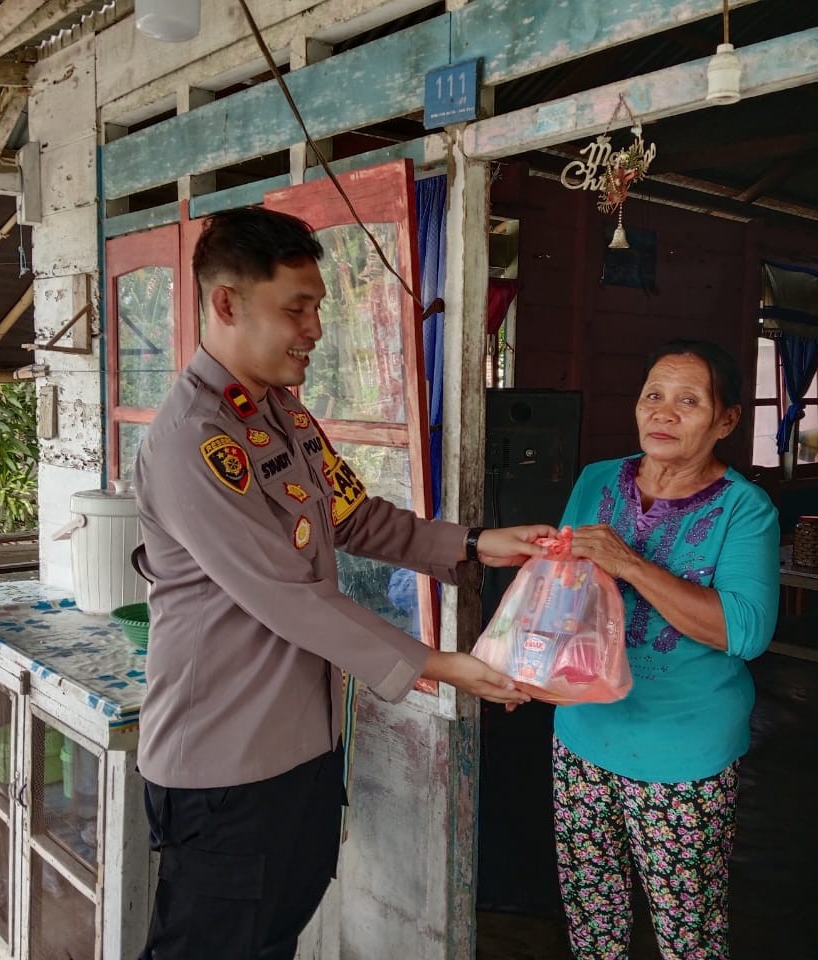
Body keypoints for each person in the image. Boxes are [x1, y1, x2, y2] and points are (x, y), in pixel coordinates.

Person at [131, 206, 553, 960]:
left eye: (318, 308)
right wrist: (441, 668)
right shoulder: (193, 441)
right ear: (226, 304)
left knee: (271, 941)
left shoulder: (281, 418)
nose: (315, 331)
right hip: (227, 764)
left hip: (301, 751)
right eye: (296, 308)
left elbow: (355, 519)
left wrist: (480, 545)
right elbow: (286, 594)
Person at [553, 339, 779, 960]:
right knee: (592, 915)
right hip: (581, 730)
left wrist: (630, 564)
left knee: (688, 931)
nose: (664, 412)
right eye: (654, 395)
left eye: (689, 400)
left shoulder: (745, 510)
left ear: (726, 420)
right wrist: (527, 668)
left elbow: (746, 631)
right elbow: (562, 588)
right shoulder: (597, 480)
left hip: (683, 751)